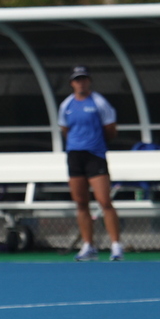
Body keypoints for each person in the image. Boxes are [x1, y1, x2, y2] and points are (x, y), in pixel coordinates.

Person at [59, 66, 123, 261]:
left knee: (104, 201)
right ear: (72, 83)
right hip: (74, 156)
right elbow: (65, 129)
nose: (81, 83)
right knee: (81, 202)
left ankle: (116, 245)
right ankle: (88, 245)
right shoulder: (66, 105)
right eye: (77, 80)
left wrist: (95, 143)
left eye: (84, 79)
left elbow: (110, 129)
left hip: (95, 155)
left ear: (89, 81)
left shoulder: (99, 103)